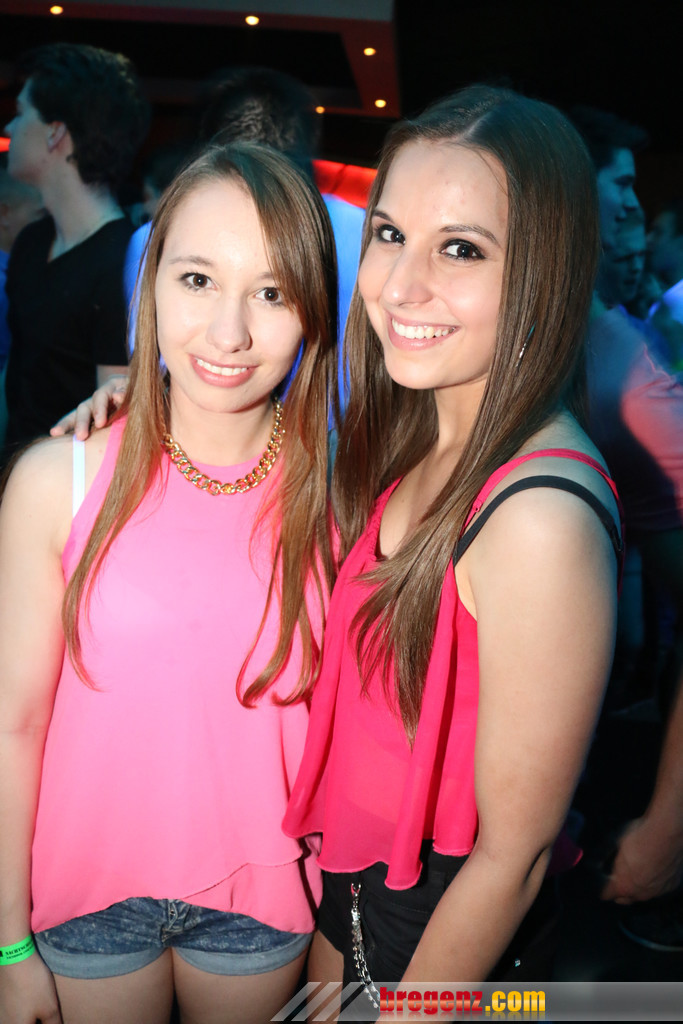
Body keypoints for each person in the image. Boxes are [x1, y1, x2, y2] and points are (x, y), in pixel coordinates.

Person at [283, 85, 623, 993]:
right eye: (389, 234)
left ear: (545, 270)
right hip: (357, 886)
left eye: (460, 248)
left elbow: (513, 858)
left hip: (444, 929)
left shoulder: (537, 516)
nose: (399, 286)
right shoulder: (421, 432)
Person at [0, 142, 337, 1024]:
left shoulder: (343, 498)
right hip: (84, 896)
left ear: (313, 309)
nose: (229, 334)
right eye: (196, 280)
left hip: (263, 898)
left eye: (271, 293)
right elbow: (13, 724)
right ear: (148, 287)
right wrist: (5, 945)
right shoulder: (59, 480)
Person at [1, 43, 148, 461]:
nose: (10, 126)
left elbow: (115, 421)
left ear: (55, 132)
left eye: (21, 112)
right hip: (14, 470)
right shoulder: (33, 240)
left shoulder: (123, 262)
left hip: (67, 483)